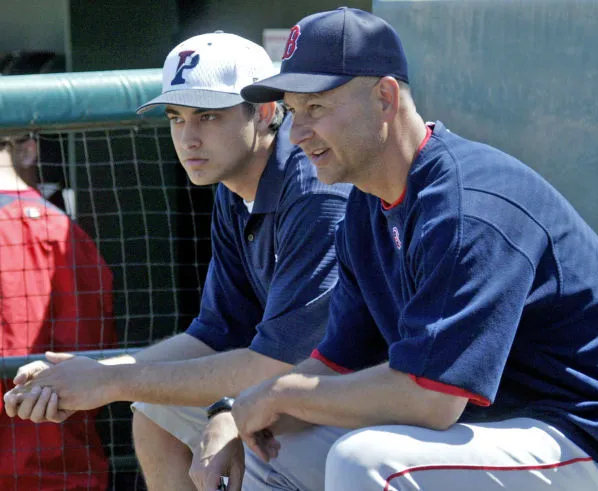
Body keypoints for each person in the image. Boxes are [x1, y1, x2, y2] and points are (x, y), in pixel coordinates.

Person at [209, 7, 598, 491]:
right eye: (293, 111)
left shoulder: (468, 204)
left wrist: (279, 393)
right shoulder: (365, 209)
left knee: (366, 461)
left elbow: (431, 398)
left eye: (315, 107)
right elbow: (337, 363)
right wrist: (238, 413)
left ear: (384, 97)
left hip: (583, 437)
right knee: (268, 451)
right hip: (492, 432)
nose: (297, 134)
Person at [4, 32, 351, 491]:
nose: (189, 138)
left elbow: (278, 365)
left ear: (264, 111)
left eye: (208, 116)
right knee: (156, 413)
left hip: (377, 409)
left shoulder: (313, 190)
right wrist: (90, 374)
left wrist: (114, 383)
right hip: (303, 397)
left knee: (239, 433)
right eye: (176, 117)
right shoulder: (234, 188)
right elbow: (214, 334)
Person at [0, 133, 117, 489]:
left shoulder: (60, 232)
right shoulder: (63, 233)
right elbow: (91, 356)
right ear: (29, 148)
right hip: (58, 467)